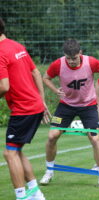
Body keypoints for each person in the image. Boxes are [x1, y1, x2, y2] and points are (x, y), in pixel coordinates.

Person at [40, 39, 99, 188]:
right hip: (66, 105)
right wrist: (55, 90)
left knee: (94, 138)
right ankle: (49, 171)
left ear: (80, 53)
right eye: (68, 58)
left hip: (88, 105)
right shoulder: (58, 64)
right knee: (52, 136)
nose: (71, 61)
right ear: (64, 56)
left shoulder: (90, 62)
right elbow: (45, 78)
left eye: (74, 58)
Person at [0, 18, 50, 200]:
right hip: (33, 105)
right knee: (16, 150)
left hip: (23, 109)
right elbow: (36, 72)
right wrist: (41, 100)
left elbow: (4, 86)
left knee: (9, 153)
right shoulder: (17, 46)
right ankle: (35, 193)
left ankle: (21, 196)